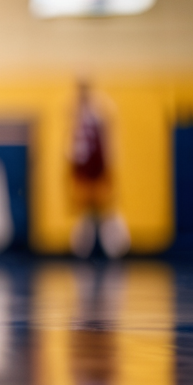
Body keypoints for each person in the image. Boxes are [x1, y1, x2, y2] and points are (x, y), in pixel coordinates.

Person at [68, 82, 130, 259]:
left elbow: (108, 144)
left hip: (99, 169)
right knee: (85, 214)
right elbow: (72, 149)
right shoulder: (74, 115)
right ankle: (83, 250)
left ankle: (115, 249)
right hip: (83, 172)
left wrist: (110, 168)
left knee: (106, 211)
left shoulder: (100, 112)